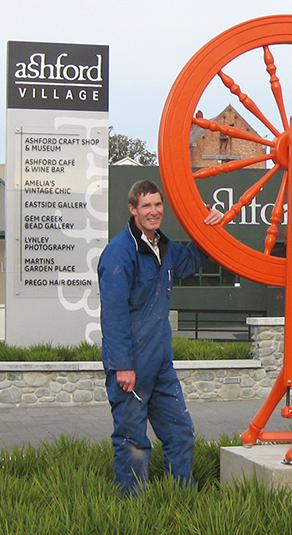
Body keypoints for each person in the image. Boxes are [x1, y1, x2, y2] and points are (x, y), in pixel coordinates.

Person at [98, 180, 223, 494]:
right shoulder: (119, 253)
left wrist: (212, 227)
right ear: (133, 210)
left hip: (160, 364)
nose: (153, 212)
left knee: (181, 434)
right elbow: (112, 316)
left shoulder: (163, 248)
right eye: (146, 206)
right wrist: (123, 366)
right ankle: (133, 513)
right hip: (131, 367)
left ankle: (181, 501)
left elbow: (191, 260)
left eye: (157, 205)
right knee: (132, 441)